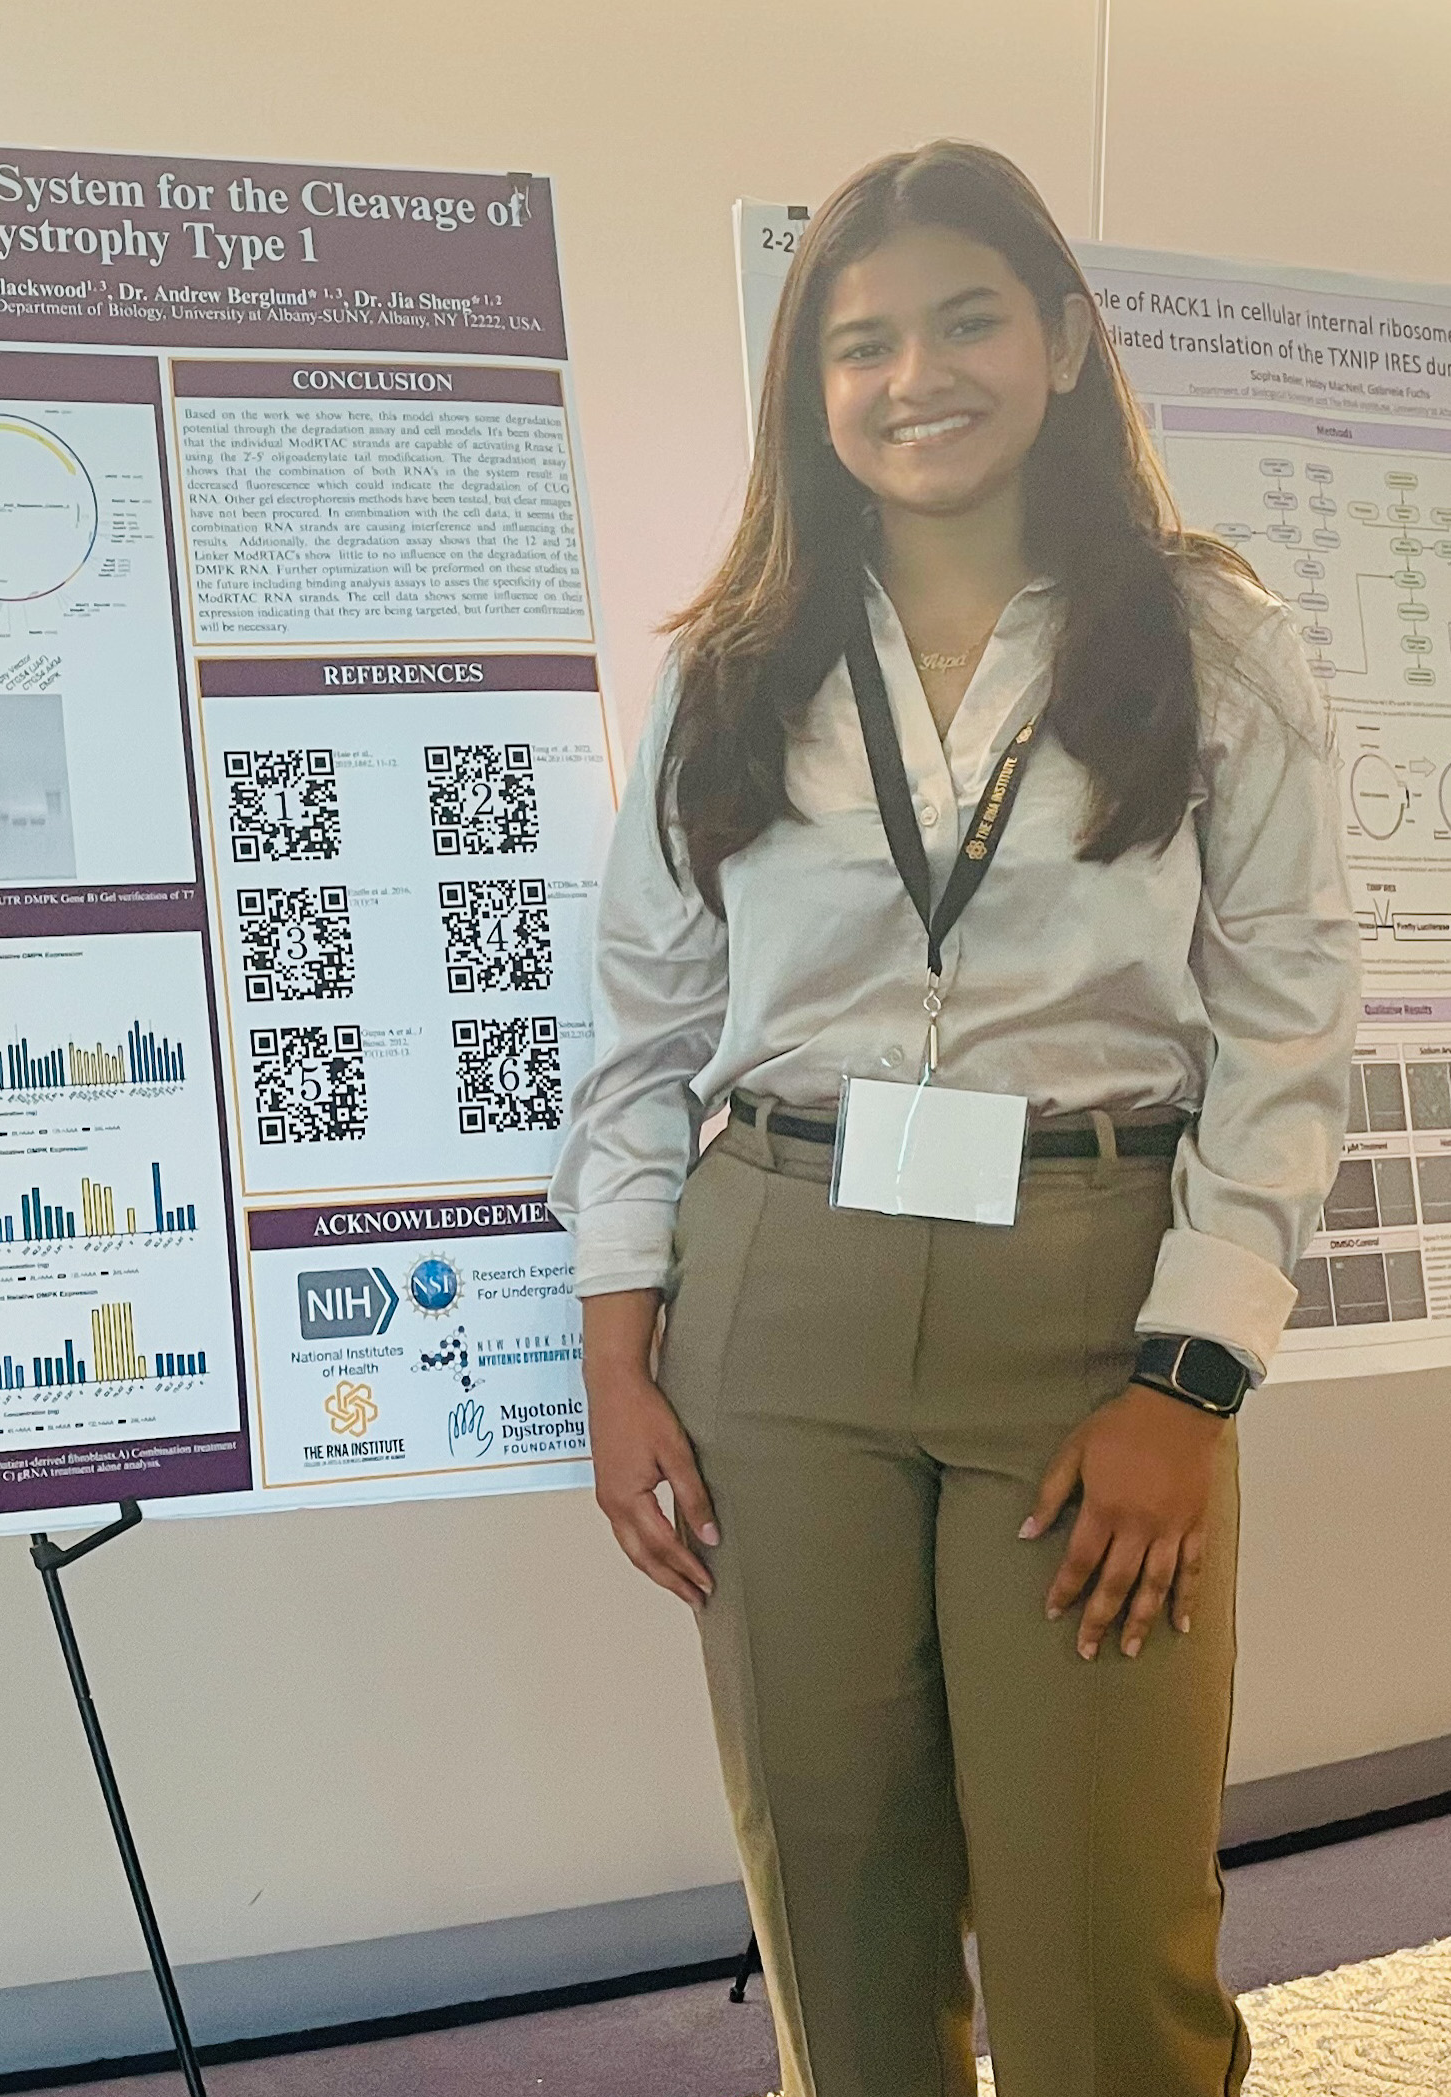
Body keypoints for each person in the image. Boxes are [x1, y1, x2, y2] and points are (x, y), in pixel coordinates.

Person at [547, 140, 1358, 2097]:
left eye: (967, 320)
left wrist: (1188, 1384)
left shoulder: (1208, 640)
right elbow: (643, 1019)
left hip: (1087, 1295)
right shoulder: (737, 659)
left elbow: (1285, 1027)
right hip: (777, 1287)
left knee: (1100, 1931)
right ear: (810, 388)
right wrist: (617, 1357)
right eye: (863, 342)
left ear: (1065, 341)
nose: (916, 376)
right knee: (837, 1906)